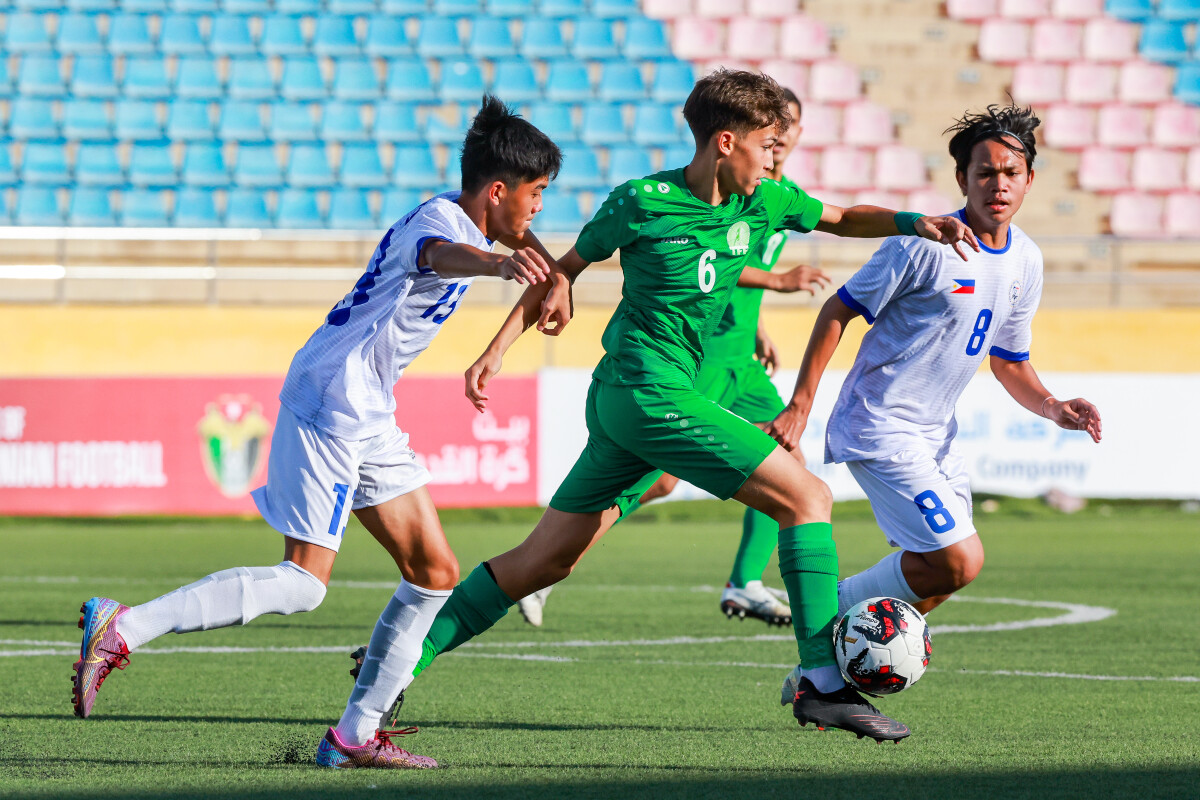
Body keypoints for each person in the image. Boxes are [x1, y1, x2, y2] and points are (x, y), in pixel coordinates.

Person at [403, 70, 980, 748]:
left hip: (642, 406)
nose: (776, 159)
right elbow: (562, 269)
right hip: (645, 392)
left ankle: (394, 663)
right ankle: (824, 683)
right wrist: (499, 347)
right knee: (805, 497)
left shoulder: (763, 201)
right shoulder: (641, 202)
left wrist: (920, 222)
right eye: (768, 146)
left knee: (544, 560)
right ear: (725, 142)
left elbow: (842, 218)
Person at [71, 95, 564, 771]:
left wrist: (545, 270)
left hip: (367, 407)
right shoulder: (442, 224)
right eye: (536, 195)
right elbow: (439, 254)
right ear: (500, 190)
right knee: (304, 584)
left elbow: (510, 238)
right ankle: (124, 626)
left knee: (434, 573)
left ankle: (354, 735)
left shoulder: (479, 214)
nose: (539, 211)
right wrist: (498, 266)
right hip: (333, 399)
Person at [767, 103, 1101, 701]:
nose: (998, 184)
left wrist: (1053, 406)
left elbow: (1008, 360)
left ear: (1029, 179)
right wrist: (801, 403)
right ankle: (825, 611)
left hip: (936, 435)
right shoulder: (921, 245)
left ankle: (817, 672)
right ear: (962, 180)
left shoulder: (1026, 259)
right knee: (960, 558)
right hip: (880, 425)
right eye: (984, 172)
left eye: (1011, 172)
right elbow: (838, 309)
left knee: (938, 577)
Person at [513, 88, 830, 630]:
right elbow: (695, 259)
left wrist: (758, 325)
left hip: (742, 359)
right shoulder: (728, 188)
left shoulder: (773, 194)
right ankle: (541, 571)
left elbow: (717, 268)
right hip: (695, 359)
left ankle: (746, 581)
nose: (784, 137)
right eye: (776, 129)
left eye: (790, 128)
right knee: (653, 481)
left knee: (791, 466)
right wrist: (776, 283)